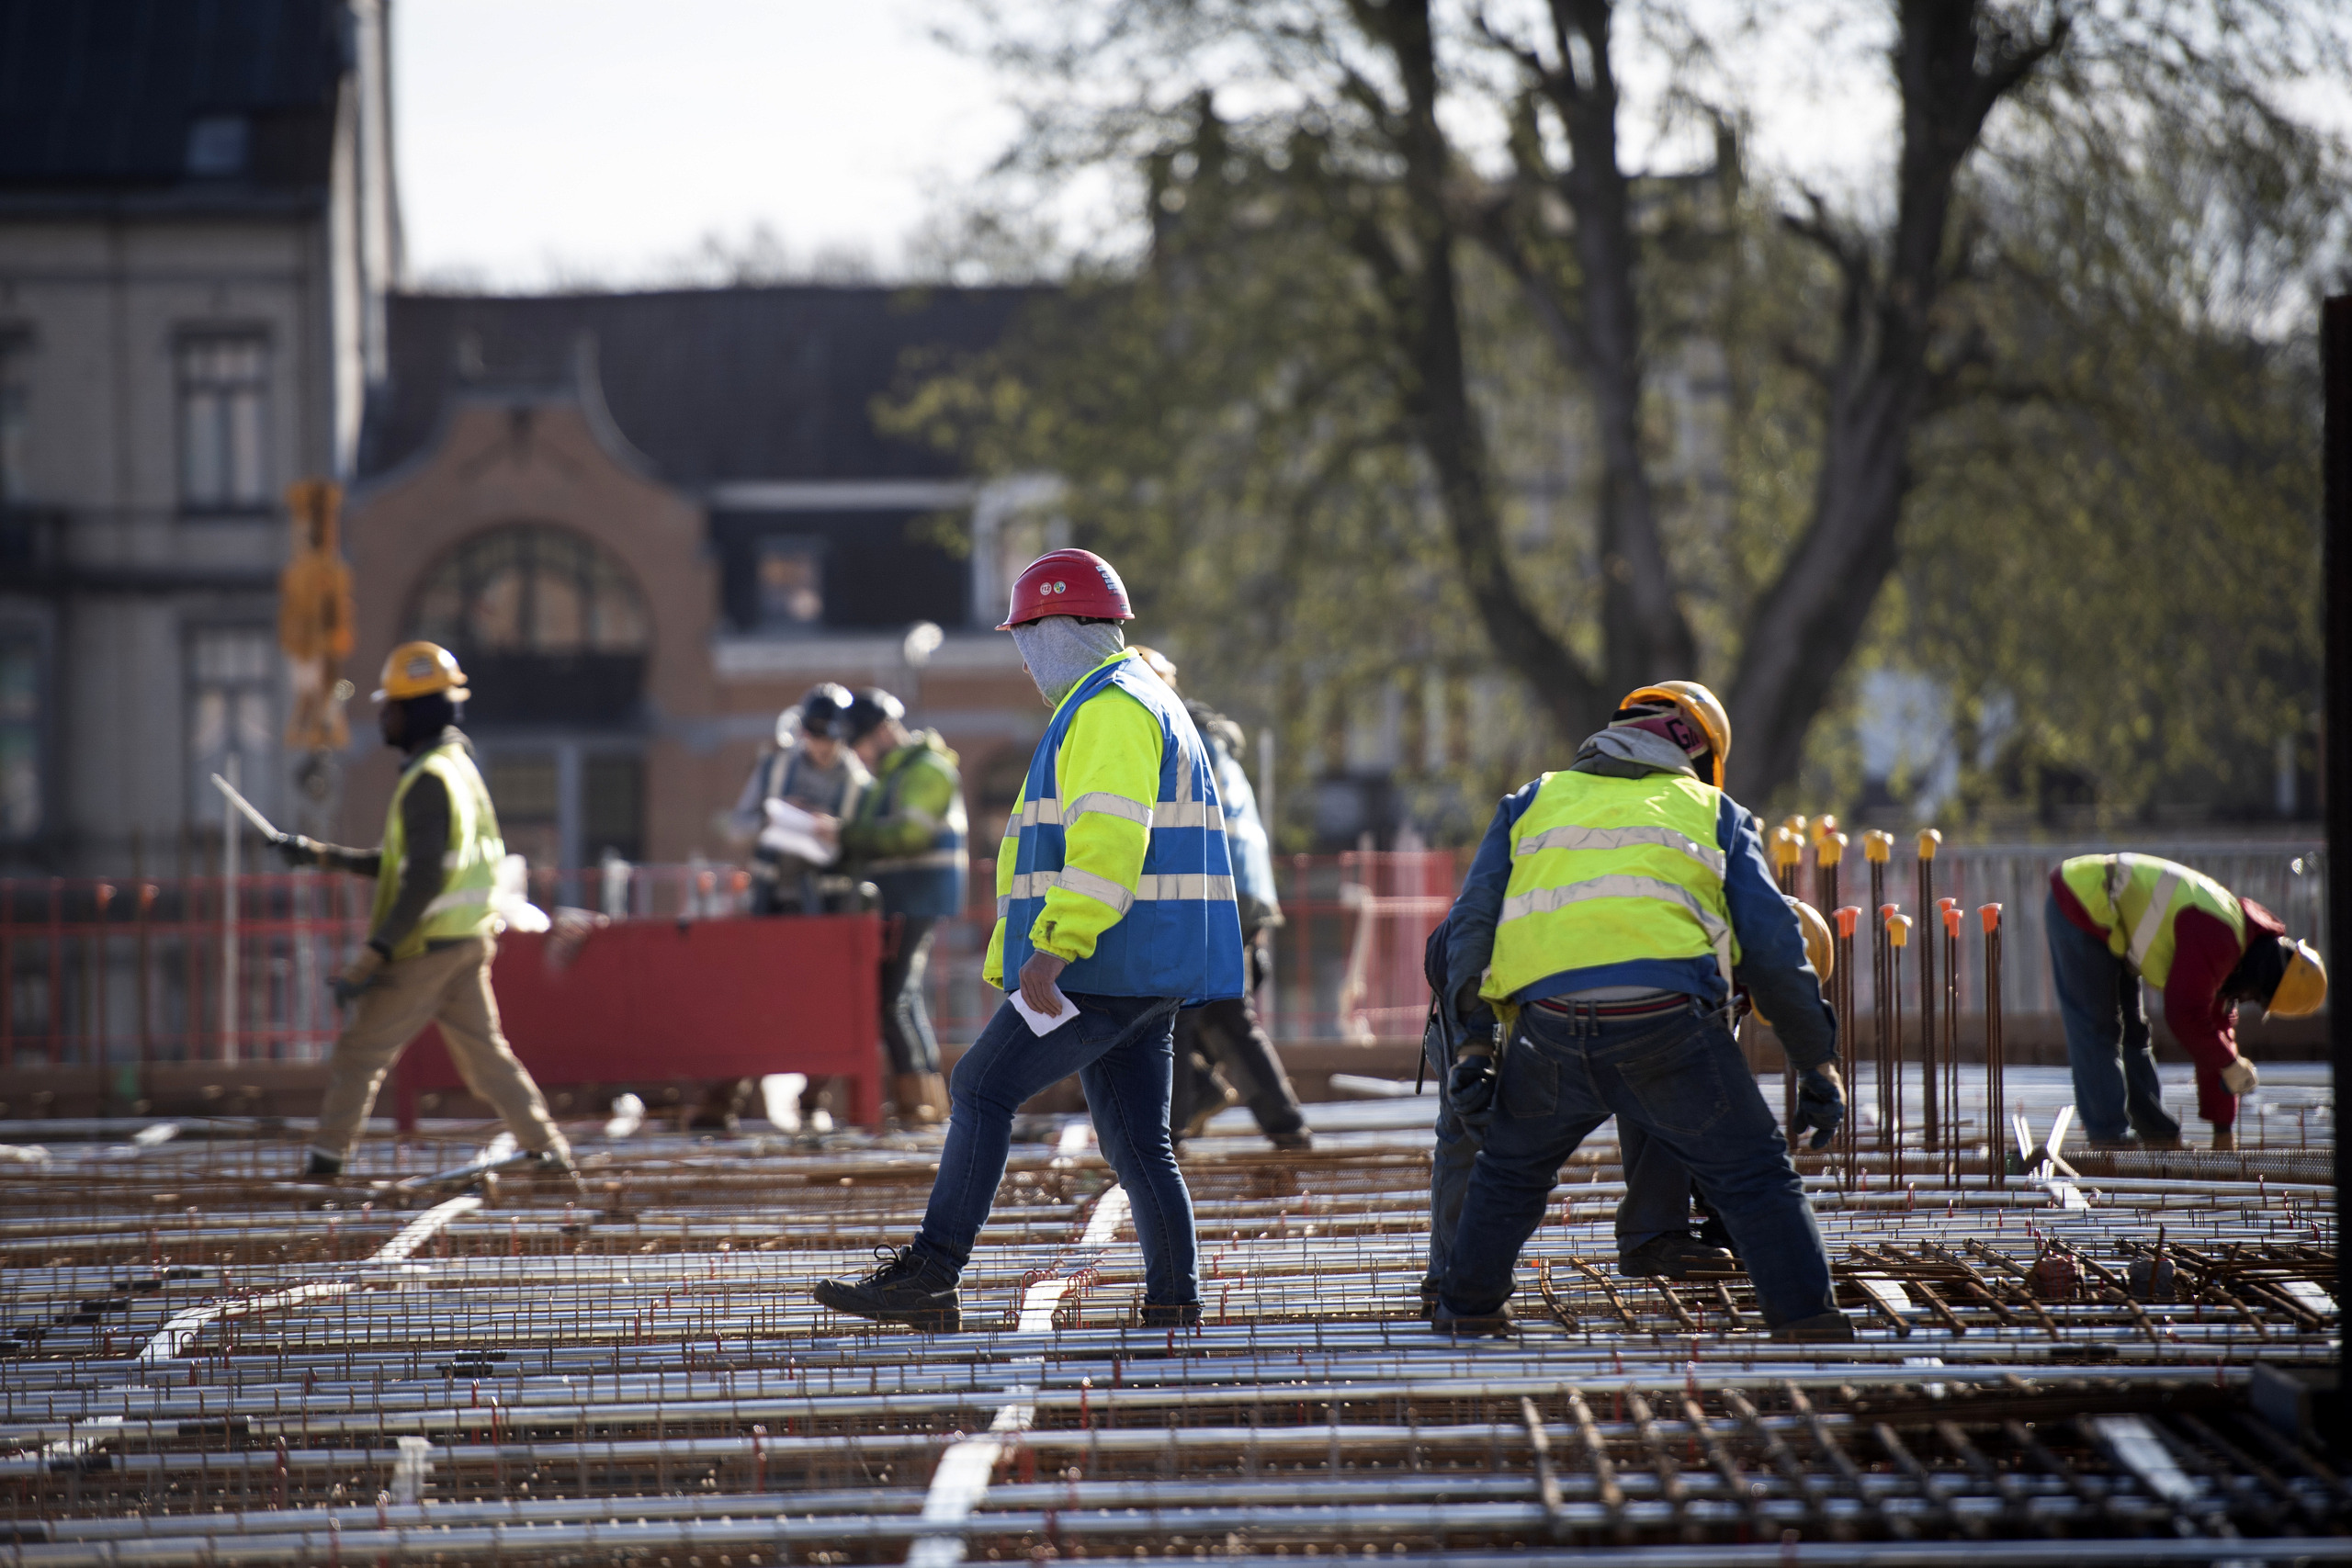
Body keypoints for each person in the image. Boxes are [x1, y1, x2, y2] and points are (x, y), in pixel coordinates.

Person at [814, 548, 1246, 1331]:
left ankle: (934, 1271)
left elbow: (1108, 845)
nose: (1022, 659)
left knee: (981, 1086)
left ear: (1064, 627)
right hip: (1148, 963)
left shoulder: (1110, 706)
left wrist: (1055, 945)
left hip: (1101, 961)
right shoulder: (1141, 696)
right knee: (1141, 1142)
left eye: (1026, 638)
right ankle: (1176, 1304)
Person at [1431, 681, 1849, 1339]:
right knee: (1758, 1176)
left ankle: (1466, 1307)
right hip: (1668, 1026)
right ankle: (1808, 1322)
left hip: (1549, 1029)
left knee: (1509, 1173)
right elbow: (1773, 947)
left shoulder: (1533, 801)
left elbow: (1472, 927)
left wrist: (1475, 1045)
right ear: (1697, 752)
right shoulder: (1711, 809)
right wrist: (1817, 1061)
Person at [1419, 891, 1834, 1311]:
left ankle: (1652, 1234)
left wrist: (1729, 1218)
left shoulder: (1717, 964)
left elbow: (1710, 1105)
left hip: (1582, 978)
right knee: (1476, 1132)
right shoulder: (1676, 931)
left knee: (1667, 1070)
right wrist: (1480, 1058)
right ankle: (1455, 1280)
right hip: (1479, 970)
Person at [276, 642, 572, 1180]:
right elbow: (411, 864)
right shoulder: (457, 767)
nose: (382, 713)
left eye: (391, 705)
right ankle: (551, 1157)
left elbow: (423, 880)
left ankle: (322, 1175)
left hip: (427, 948)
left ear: (416, 712)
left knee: (358, 1056)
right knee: (489, 1063)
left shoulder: (427, 782)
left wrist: (372, 958)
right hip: (466, 940)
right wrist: (323, 856)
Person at [1128, 648, 1311, 1153]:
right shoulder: (1207, 733)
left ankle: (1172, 1139)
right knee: (1225, 1012)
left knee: (1181, 1008)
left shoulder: (1168, 732)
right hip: (1242, 888)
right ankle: (1281, 1125)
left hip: (1210, 890)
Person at [2048, 852, 2326, 1152]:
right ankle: (2109, 1140)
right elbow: (2184, 1015)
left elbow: (2213, 1033)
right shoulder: (2219, 937)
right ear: (2265, 978)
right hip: (2083, 898)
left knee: (2134, 1033)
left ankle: (2157, 1135)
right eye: (2258, 996)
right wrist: (2229, 1063)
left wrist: (2223, 1129)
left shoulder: (2237, 950)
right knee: (2098, 1028)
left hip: (2115, 920)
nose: (2248, 999)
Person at [834, 687, 968, 1127]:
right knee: (902, 999)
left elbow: (910, 836)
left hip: (918, 896)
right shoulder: (893, 776)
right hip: (904, 897)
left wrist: (841, 834)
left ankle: (920, 1105)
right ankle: (926, 1102)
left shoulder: (926, 771)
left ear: (882, 731)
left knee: (893, 1000)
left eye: (859, 743)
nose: (858, 754)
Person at [724, 683, 868, 916]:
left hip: (833, 908)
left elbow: (869, 845)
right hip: (770, 902)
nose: (823, 746)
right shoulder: (773, 769)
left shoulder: (859, 783)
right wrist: (770, 820)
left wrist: (834, 829)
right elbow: (736, 830)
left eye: (830, 738)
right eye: (816, 735)